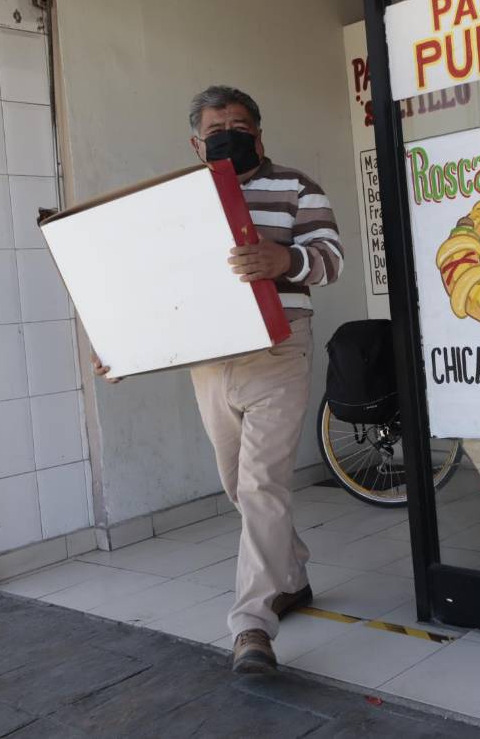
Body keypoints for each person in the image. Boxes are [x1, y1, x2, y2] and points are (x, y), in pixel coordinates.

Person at [94, 86, 343, 674]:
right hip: (208, 359)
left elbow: (330, 256)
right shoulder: (182, 201)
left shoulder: (297, 187)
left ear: (260, 132)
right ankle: (293, 575)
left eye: (239, 124)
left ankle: (253, 626)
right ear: (195, 141)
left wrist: (286, 260)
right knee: (239, 484)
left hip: (278, 349)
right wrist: (125, 346)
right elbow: (158, 284)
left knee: (261, 486)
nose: (228, 133)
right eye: (216, 128)